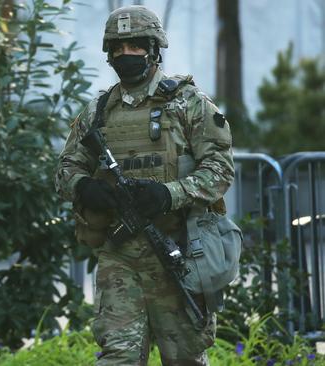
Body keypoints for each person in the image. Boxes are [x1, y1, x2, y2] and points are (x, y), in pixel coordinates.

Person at [55, 5, 234, 365]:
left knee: (185, 357)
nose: (125, 54)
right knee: (118, 357)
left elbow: (220, 168)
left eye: (134, 45)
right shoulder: (99, 110)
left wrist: (170, 194)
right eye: (117, 48)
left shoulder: (187, 102)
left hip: (178, 251)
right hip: (120, 257)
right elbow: (66, 168)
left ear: (153, 49)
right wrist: (83, 187)